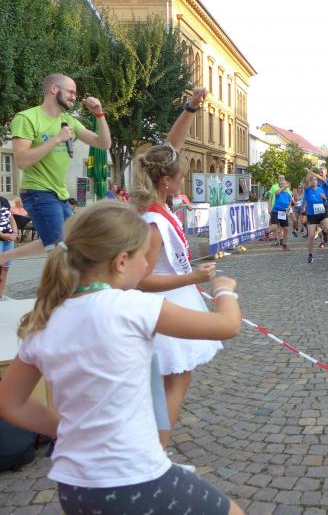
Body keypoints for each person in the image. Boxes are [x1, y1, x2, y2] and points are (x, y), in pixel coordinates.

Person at [0, 201, 244, 515]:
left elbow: (10, 403)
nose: (147, 266)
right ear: (121, 261)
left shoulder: (44, 320)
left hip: (74, 486)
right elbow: (227, 325)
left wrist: (66, 428)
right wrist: (225, 291)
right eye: (145, 257)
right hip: (134, 478)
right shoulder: (131, 307)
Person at [133, 87, 224, 456]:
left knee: (171, 380)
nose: (184, 181)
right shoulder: (154, 222)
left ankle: (153, 447)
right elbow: (141, 280)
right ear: (165, 181)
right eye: (181, 177)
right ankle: (156, 453)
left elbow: (170, 148)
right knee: (174, 381)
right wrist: (193, 277)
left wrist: (190, 109)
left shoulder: (157, 206)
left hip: (171, 300)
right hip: (163, 304)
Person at [0, 74, 111, 266]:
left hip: (60, 194)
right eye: (71, 92)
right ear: (54, 89)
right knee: (61, 250)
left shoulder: (69, 121)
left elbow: (104, 144)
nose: (74, 97)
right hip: (38, 191)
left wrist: (99, 114)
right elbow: (22, 161)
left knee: (70, 240)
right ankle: (62, 284)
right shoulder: (27, 118)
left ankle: (3, 257)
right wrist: (57, 139)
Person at [303, 171, 328, 263]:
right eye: (312, 180)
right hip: (312, 215)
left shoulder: (321, 189)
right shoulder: (307, 189)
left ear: (317, 181)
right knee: (311, 236)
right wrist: (310, 171)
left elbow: (325, 202)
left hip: (321, 213)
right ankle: (310, 255)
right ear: (310, 181)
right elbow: (305, 182)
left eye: (315, 180)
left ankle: (321, 229)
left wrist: (324, 198)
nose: (313, 181)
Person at [308, 167, 328, 253]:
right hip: (315, 206)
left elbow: (322, 180)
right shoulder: (316, 181)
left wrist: (312, 172)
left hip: (325, 206)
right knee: (317, 225)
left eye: (322, 172)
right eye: (319, 172)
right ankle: (322, 241)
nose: (320, 173)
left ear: (326, 173)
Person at [0, 195, 19, 300]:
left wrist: (15, 232)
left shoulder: (3, 200)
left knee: (5, 268)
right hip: (2, 237)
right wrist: (2, 235)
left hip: (8, 239)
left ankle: (0, 295)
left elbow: (11, 218)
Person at [268, 179, 292, 251]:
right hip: (276, 211)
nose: (284, 185)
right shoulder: (278, 192)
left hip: (283, 212)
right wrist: (284, 187)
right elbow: (276, 193)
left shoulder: (288, 194)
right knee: (275, 226)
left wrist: (288, 208)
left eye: (285, 184)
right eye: (282, 184)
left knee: (286, 228)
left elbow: (289, 203)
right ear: (280, 186)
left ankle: (285, 245)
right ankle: (266, 232)